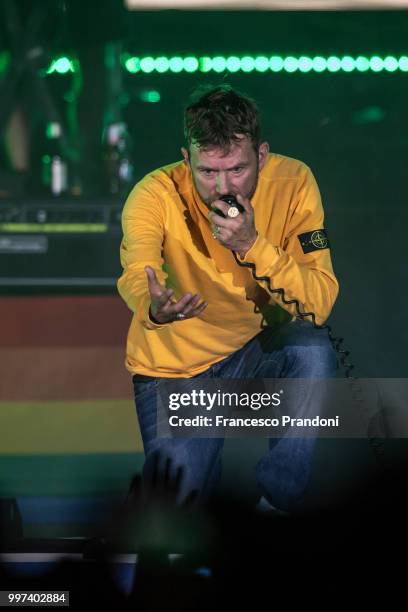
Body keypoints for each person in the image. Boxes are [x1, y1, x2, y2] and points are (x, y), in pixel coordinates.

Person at [117, 84, 339, 513]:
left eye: (237, 170)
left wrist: (253, 244)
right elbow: (136, 271)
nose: (222, 187)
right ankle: (155, 501)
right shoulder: (154, 193)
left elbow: (321, 300)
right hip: (179, 366)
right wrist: (153, 306)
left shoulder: (294, 182)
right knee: (177, 518)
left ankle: (278, 503)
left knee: (312, 349)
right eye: (207, 172)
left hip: (259, 351)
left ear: (262, 156)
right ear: (187, 160)